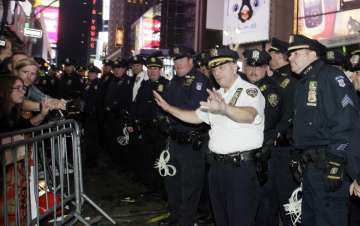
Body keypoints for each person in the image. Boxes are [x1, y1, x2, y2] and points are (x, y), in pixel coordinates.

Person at [154, 47, 265, 226]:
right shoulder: (218, 94)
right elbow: (195, 117)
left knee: (240, 220)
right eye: (214, 69)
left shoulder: (249, 91)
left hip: (240, 170)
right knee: (221, 220)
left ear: (234, 67)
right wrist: (169, 109)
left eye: (221, 68)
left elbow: (249, 114)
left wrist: (225, 109)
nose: (217, 73)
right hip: (217, 168)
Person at [288, 34, 360, 226]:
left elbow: (347, 122)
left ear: (312, 54)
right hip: (311, 168)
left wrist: (337, 161)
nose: (290, 58)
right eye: (289, 54)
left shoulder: (330, 76)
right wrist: (298, 152)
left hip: (329, 166)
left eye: (295, 53)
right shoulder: (303, 82)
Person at [154, 46, 210, 226]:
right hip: (174, 140)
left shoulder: (199, 81)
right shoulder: (173, 81)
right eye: (175, 60)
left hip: (191, 142)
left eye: (181, 59)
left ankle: (185, 221)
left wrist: (170, 113)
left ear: (190, 60)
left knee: (189, 187)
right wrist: (162, 118)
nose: (177, 63)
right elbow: (164, 105)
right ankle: (175, 217)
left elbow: (193, 108)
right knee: (172, 183)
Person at [242, 48, 285, 226]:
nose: (253, 70)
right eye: (250, 65)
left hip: (263, 155)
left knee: (264, 204)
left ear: (266, 67)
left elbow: (266, 123)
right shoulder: (242, 88)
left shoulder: (271, 91)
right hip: (244, 154)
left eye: (258, 66)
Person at [266, 37, 300, 226]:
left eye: (271, 53)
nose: (269, 57)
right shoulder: (275, 79)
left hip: (284, 148)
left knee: (287, 200)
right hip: (272, 148)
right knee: (271, 198)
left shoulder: (291, 80)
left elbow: (288, 114)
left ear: (280, 55)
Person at [129, 56, 169, 192]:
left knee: (160, 159)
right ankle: (149, 186)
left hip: (159, 131)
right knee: (146, 158)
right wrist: (131, 121)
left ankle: (160, 188)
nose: (152, 71)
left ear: (160, 70)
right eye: (150, 68)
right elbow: (136, 104)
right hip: (145, 129)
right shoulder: (144, 85)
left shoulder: (167, 85)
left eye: (155, 68)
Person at [103, 58, 133, 168]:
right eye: (115, 68)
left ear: (124, 69)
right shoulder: (113, 81)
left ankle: (122, 164)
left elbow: (126, 100)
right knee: (111, 139)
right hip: (111, 116)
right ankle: (114, 161)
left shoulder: (128, 81)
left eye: (119, 68)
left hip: (121, 116)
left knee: (122, 141)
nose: (116, 70)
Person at [80, 65, 103, 168]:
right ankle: (88, 159)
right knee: (88, 138)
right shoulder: (88, 83)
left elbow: (98, 100)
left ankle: (92, 161)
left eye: (93, 73)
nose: (90, 74)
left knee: (93, 139)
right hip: (87, 114)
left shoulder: (98, 84)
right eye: (90, 73)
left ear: (96, 74)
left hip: (94, 115)